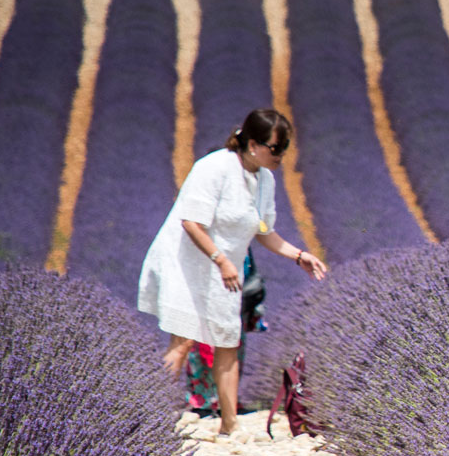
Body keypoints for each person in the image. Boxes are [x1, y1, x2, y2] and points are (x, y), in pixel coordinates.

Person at [139, 108, 328, 435]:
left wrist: (299, 256)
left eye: (285, 147)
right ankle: (146, 418)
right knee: (183, 341)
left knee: (228, 340)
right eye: (276, 147)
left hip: (224, 269)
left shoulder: (264, 179)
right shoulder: (213, 168)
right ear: (253, 144)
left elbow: (264, 231)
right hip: (186, 263)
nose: (281, 155)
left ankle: (229, 426)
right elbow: (190, 222)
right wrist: (221, 259)